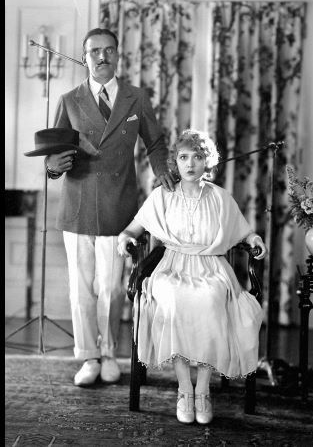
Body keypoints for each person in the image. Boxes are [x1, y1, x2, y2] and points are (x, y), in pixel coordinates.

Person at [45, 27, 175, 387]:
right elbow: (54, 152)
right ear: (85, 57)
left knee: (113, 287)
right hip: (78, 206)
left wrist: (163, 171)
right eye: (94, 52)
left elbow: (156, 143)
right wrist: (53, 168)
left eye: (109, 51)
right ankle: (88, 356)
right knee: (81, 287)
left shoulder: (136, 98)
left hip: (120, 206)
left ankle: (109, 354)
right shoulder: (69, 100)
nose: (102, 57)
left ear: (118, 55)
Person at [117, 129, 267, 424]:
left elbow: (244, 230)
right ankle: (185, 388)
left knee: (211, 298)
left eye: (197, 157)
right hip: (172, 265)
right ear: (175, 162)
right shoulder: (163, 195)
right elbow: (134, 228)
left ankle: (203, 390)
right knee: (173, 298)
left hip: (210, 266)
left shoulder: (220, 197)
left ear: (207, 162)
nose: (190, 164)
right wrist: (124, 238)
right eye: (183, 157)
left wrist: (254, 239)